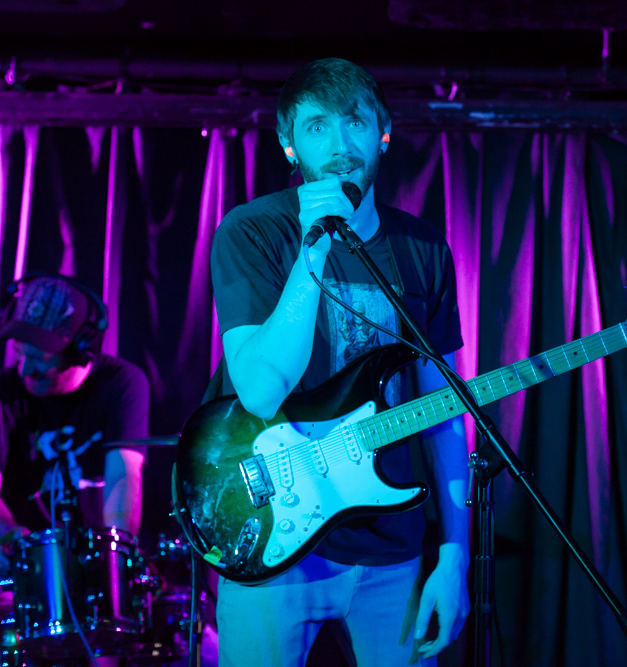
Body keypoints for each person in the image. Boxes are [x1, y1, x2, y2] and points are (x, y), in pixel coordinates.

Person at [208, 58, 470, 666]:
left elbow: (445, 412)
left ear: (382, 133)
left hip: (392, 544)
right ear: (289, 143)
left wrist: (454, 555)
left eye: (355, 122)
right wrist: (316, 245)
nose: (340, 145)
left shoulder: (422, 248)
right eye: (317, 126)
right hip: (272, 535)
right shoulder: (252, 231)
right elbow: (260, 390)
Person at [0, 273, 147, 577]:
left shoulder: (121, 383)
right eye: (18, 354)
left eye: (38, 358)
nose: (24, 370)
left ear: (79, 350)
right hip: (25, 566)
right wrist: (17, 545)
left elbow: (123, 477)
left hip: (98, 562)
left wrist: (112, 555)